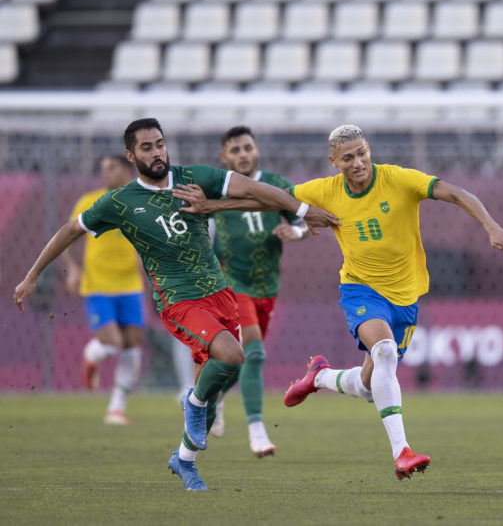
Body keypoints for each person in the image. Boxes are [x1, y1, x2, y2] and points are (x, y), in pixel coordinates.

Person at [173, 124, 503, 479]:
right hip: (361, 290)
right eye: (348, 158)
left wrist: (492, 227)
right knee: (384, 351)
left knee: (370, 387)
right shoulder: (326, 190)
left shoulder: (398, 179)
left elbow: (456, 193)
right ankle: (402, 452)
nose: (357, 163)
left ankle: (320, 377)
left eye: (361, 154)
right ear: (334, 161)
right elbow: (268, 199)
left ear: (369, 149)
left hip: (405, 298)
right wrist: (212, 206)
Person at [13, 117, 339, 491]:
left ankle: (184, 460)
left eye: (160, 144)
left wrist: (301, 211)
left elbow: (257, 191)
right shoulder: (120, 202)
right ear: (131, 155)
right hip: (179, 301)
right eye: (146, 147)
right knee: (233, 357)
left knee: (214, 391)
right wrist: (32, 275)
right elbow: (71, 229)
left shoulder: (194, 178)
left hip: (220, 295)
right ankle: (194, 404)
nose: (157, 152)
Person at [204, 125, 310, 457]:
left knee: (242, 361)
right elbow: (205, 237)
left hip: (267, 286)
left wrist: (296, 233)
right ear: (224, 157)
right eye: (235, 150)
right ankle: (257, 432)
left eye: (247, 147)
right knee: (256, 353)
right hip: (232, 286)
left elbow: (305, 221)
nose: (243, 154)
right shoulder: (216, 192)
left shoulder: (276, 185)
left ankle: (214, 397)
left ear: (257, 150)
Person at [63, 155, 146, 426]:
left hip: (130, 285)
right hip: (98, 285)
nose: (105, 173)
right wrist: (73, 270)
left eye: (111, 168)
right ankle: (91, 357)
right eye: (102, 169)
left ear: (127, 170)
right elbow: (67, 238)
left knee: (132, 347)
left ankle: (116, 409)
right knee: (112, 344)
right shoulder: (90, 201)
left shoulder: (140, 201)